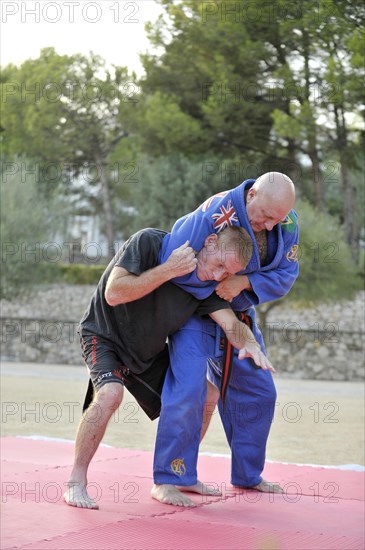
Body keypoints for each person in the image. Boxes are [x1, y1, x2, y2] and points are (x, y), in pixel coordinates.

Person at [63, 225, 274, 509]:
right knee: (111, 394)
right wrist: (168, 269)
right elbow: (114, 292)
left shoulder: (204, 287)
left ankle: (180, 471)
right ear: (210, 242)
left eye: (226, 273)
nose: (216, 275)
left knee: (207, 394)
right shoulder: (151, 243)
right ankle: (76, 481)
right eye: (219, 264)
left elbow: (231, 323)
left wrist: (250, 344)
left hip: (145, 355)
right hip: (104, 336)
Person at [152, 172, 299, 506]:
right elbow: (172, 258)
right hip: (197, 310)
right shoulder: (215, 212)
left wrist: (243, 283)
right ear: (251, 195)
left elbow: (286, 275)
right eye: (264, 216)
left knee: (260, 391)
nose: (271, 225)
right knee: (190, 387)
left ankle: (248, 475)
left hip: (241, 315)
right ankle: (170, 478)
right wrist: (220, 292)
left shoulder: (285, 222)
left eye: (278, 218)